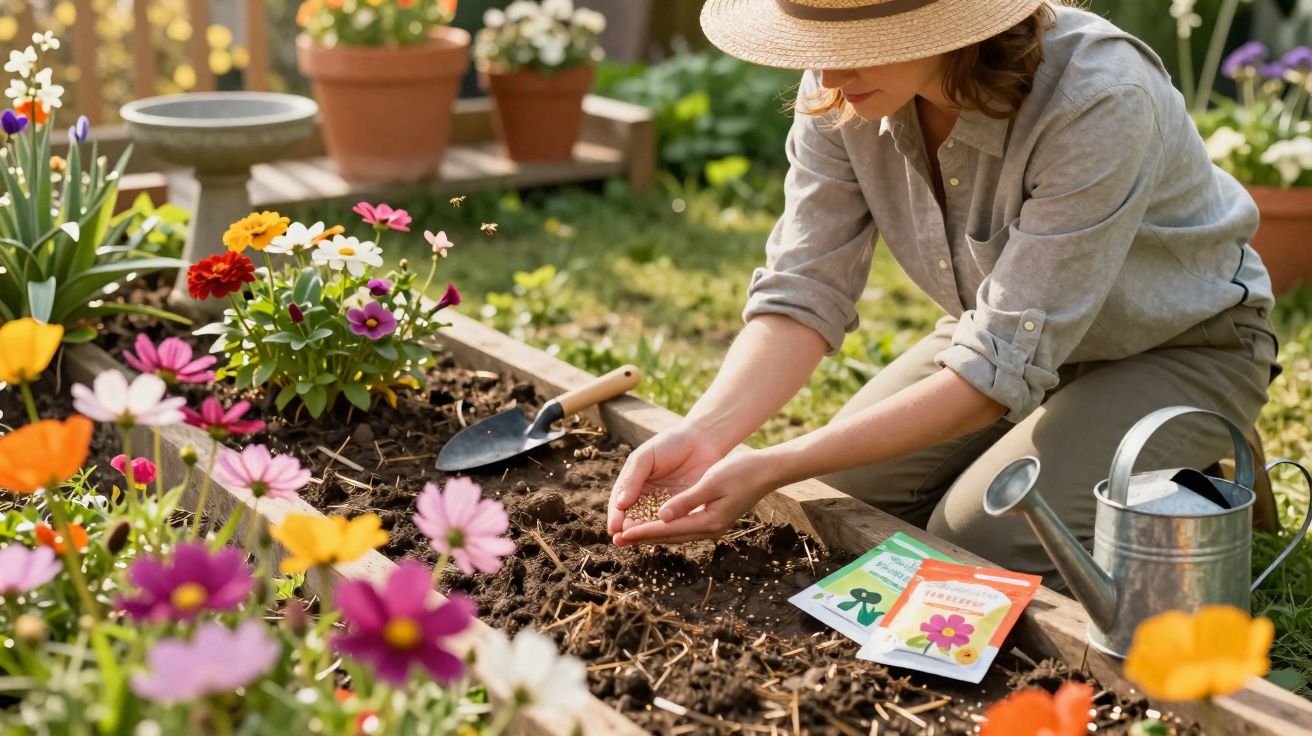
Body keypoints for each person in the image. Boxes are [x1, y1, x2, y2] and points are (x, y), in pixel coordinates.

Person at [605, 0, 1282, 582]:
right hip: (998, 335)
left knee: (987, 540)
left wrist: (775, 462)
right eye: (819, 45)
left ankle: (1195, 453)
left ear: (944, 24)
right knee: (836, 500)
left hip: (1177, 344)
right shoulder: (843, 90)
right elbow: (802, 289)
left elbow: (990, 378)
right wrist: (708, 432)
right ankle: (1099, 450)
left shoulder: (1098, 96)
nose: (829, 75)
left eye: (859, 48)